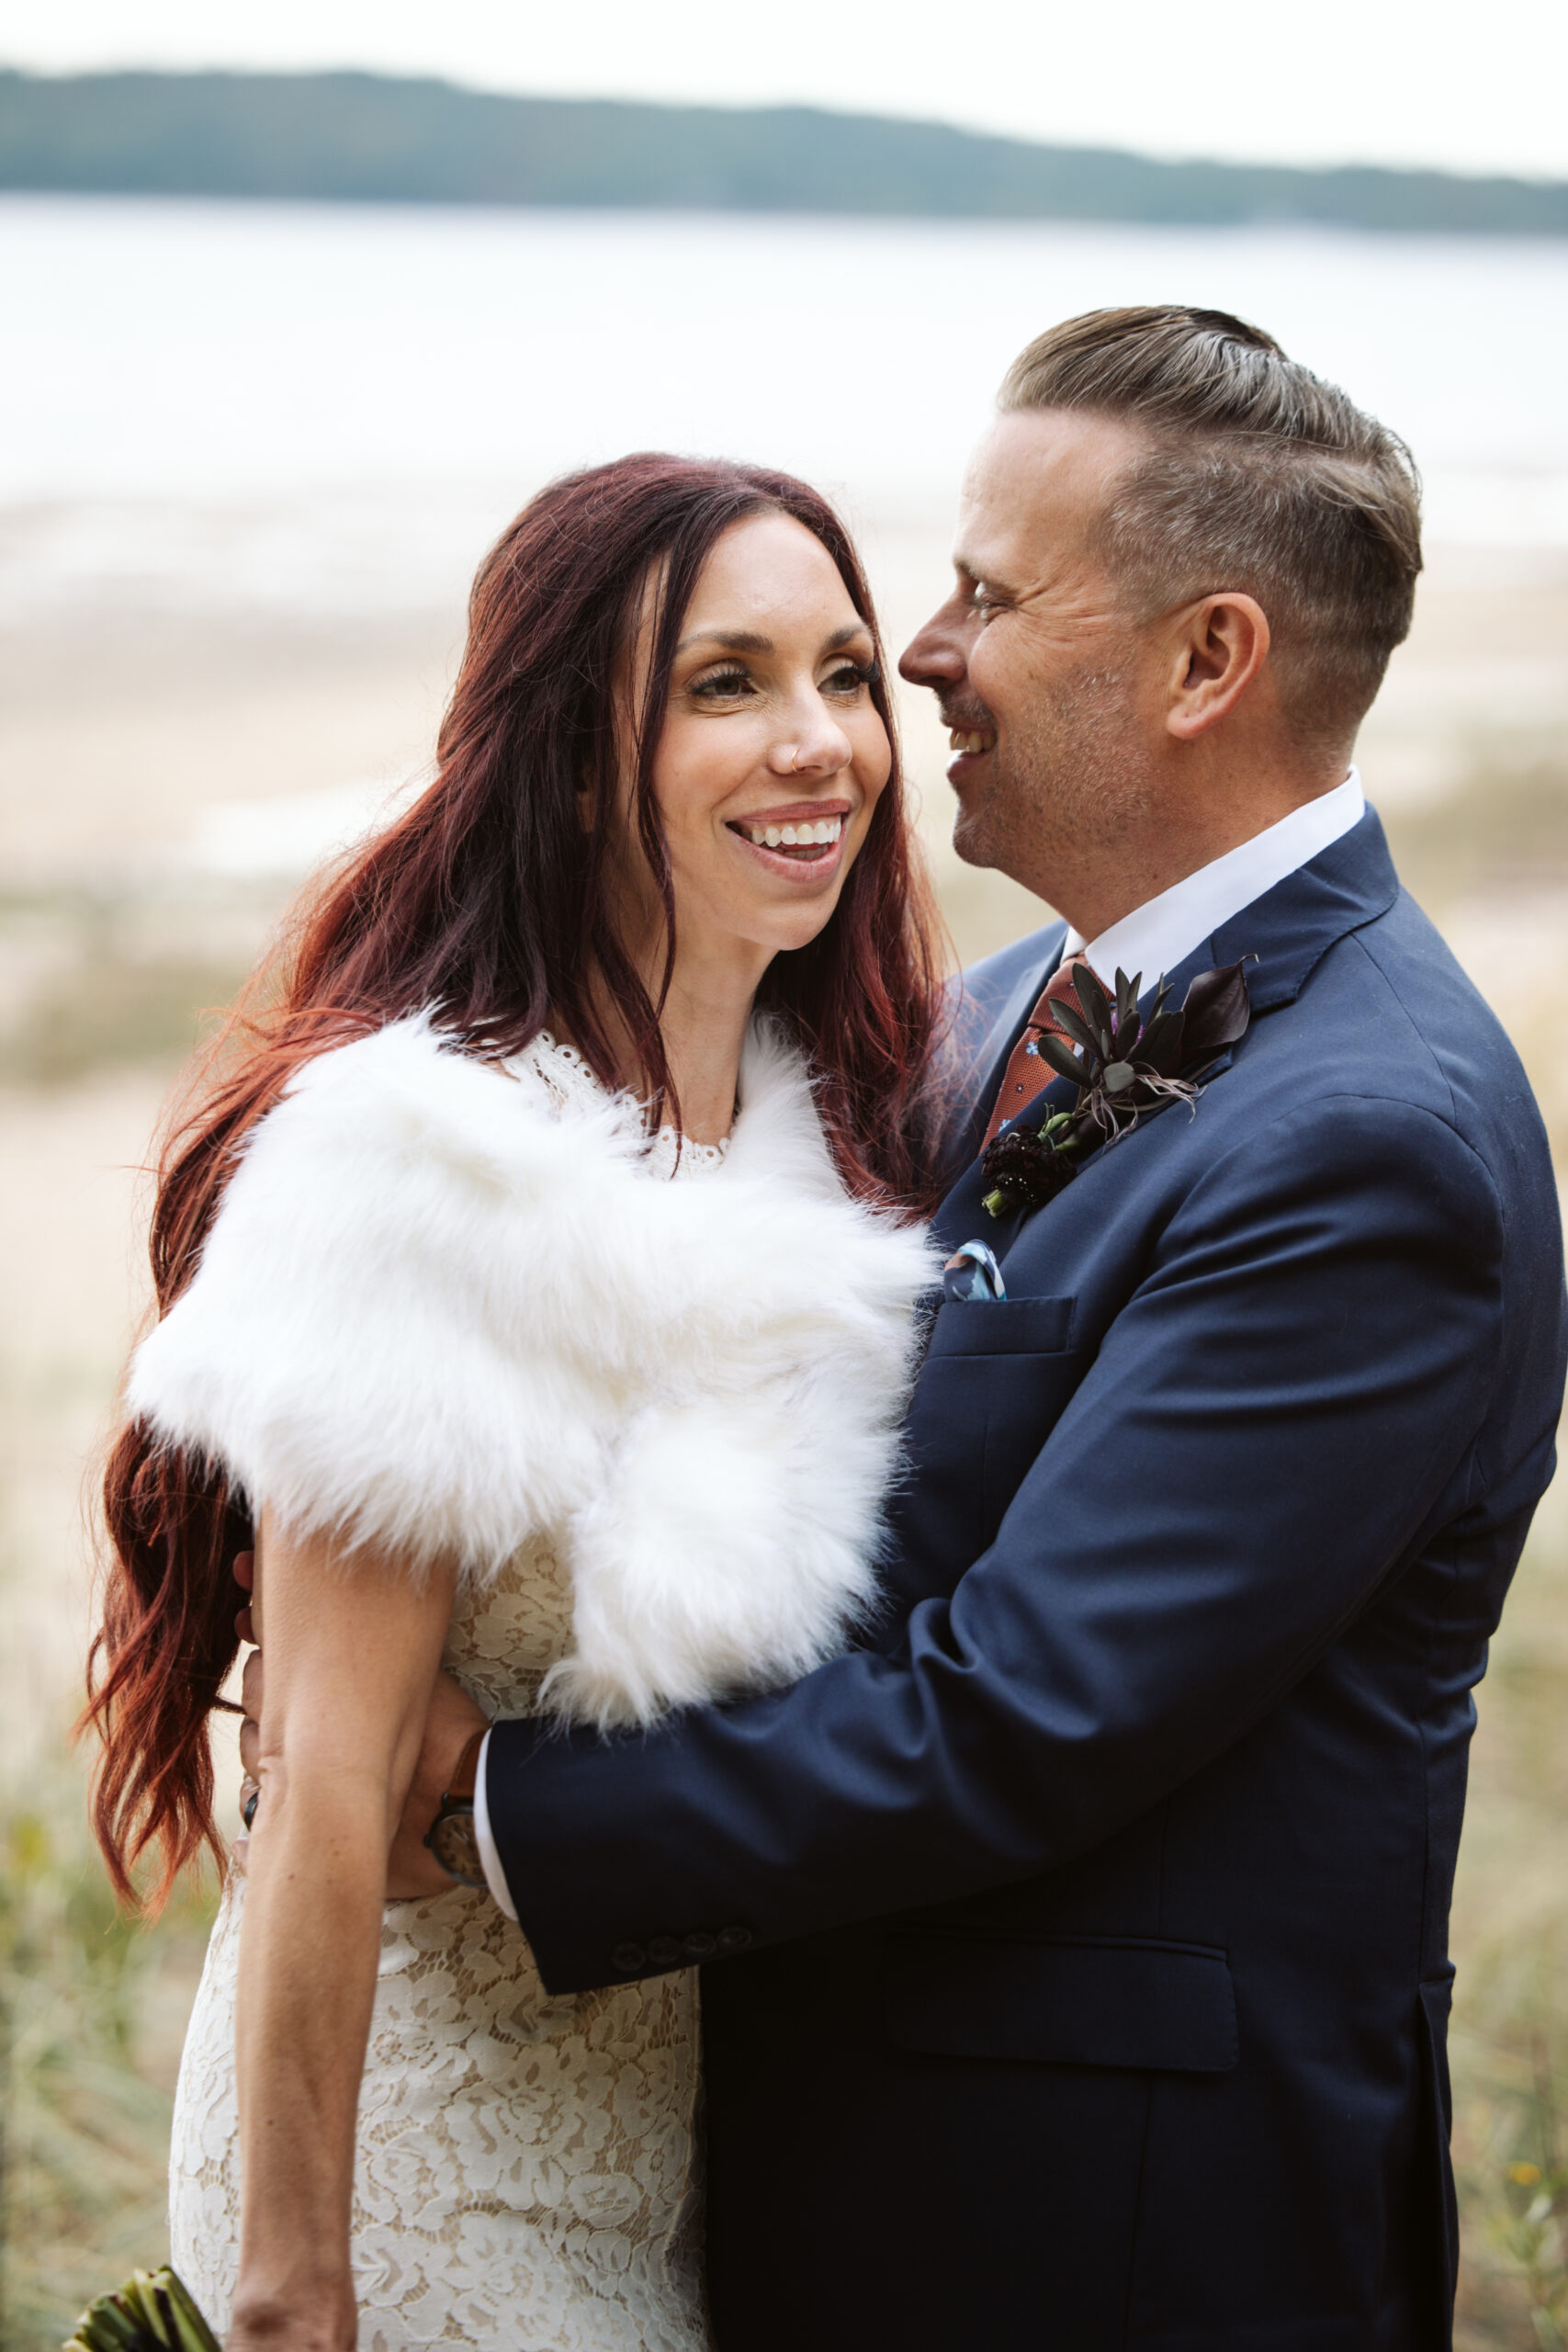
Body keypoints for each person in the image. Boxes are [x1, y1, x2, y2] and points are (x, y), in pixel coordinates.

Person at [344, 310, 1567, 2348]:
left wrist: (482, 1803)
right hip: (815, 2145)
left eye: (988, 592)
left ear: (1207, 662)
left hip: (1112, 2229)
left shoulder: (1376, 1145)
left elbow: (1023, 1703)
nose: (918, 651)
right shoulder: (996, 1008)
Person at [84, 454, 949, 2351]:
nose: (816, 743)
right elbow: (317, 1776)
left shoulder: (832, 1140)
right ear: (573, 755)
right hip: (413, 2158)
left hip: (666, 2149)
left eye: (842, 671)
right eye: (723, 683)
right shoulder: (428, 1167)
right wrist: (293, 2293)